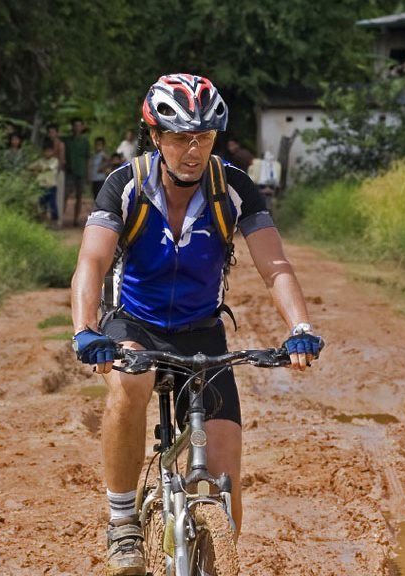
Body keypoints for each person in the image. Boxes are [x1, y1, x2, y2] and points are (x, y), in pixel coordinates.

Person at [70, 73, 324, 575]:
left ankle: (214, 557)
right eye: (182, 138)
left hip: (204, 331)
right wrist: (86, 329)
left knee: (227, 467)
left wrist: (299, 327)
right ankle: (122, 521)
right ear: (156, 137)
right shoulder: (125, 186)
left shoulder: (234, 188)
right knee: (131, 382)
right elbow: (92, 263)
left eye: (204, 138)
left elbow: (275, 267)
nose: (193, 150)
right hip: (134, 325)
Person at [63, 119, 92, 226]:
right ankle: (61, 218)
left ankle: (76, 219)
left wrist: (88, 174)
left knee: (79, 196)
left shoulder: (85, 142)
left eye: (79, 125)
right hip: (69, 171)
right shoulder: (67, 140)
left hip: (81, 171)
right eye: (75, 125)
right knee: (65, 195)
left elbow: (88, 159)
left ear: (82, 127)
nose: (77, 128)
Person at [30, 144, 60, 225]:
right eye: (46, 151)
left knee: (52, 204)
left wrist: (39, 169)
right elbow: (30, 167)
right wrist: (35, 171)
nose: (48, 153)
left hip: (51, 185)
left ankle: (55, 221)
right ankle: (44, 222)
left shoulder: (55, 161)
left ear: (52, 152)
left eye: (49, 151)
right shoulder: (40, 161)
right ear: (43, 152)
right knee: (42, 204)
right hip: (42, 185)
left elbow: (48, 167)